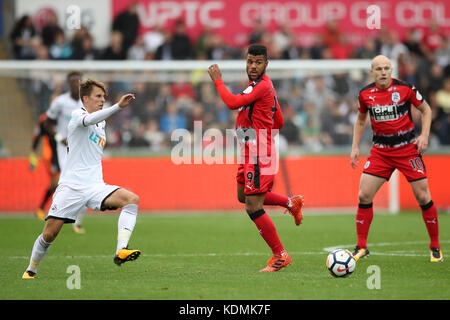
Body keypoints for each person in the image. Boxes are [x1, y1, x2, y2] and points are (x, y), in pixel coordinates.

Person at [22, 79, 141, 279]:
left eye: (104, 96)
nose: (102, 100)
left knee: (132, 199)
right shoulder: (78, 115)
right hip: (71, 187)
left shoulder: (101, 123)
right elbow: (89, 121)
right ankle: (31, 270)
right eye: (98, 96)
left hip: (95, 186)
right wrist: (117, 107)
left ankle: (121, 250)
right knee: (49, 234)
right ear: (85, 98)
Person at [208, 44, 304, 272]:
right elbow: (278, 121)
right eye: (250, 61)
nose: (253, 66)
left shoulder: (262, 86)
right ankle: (291, 203)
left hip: (259, 152)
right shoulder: (262, 88)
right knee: (244, 196)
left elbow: (232, 103)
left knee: (253, 206)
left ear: (266, 64)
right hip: (249, 150)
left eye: (258, 62)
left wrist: (218, 81)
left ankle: (280, 255)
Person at [350, 55, 443, 263]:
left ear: (391, 70)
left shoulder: (405, 88)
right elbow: (361, 119)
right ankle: (361, 246)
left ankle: (435, 246)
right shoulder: (365, 94)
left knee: (422, 196)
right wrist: (355, 146)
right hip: (381, 152)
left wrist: (425, 135)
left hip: (407, 150)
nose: (383, 72)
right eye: (379, 69)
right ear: (372, 72)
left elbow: (426, 110)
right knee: (364, 195)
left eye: (386, 68)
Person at [44, 71, 87, 233]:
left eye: (78, 82)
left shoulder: (87, 102)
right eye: (73, 82)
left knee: (83, 181)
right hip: (65, 148)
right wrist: (59, 137)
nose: (76, 85)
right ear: (69, 84)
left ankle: (78, 220)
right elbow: (47, 124)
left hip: (83, 148)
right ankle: (55, 214)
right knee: (66, 180)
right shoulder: (60, 102)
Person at [29, 112, 60, 221]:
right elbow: (36, 138)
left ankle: (42, 209)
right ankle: (50, 210)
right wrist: (33, 158)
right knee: (56, 183)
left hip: (61, 154)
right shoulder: (44, 119)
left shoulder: (64, 116)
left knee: (55, 184)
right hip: (50, 155)